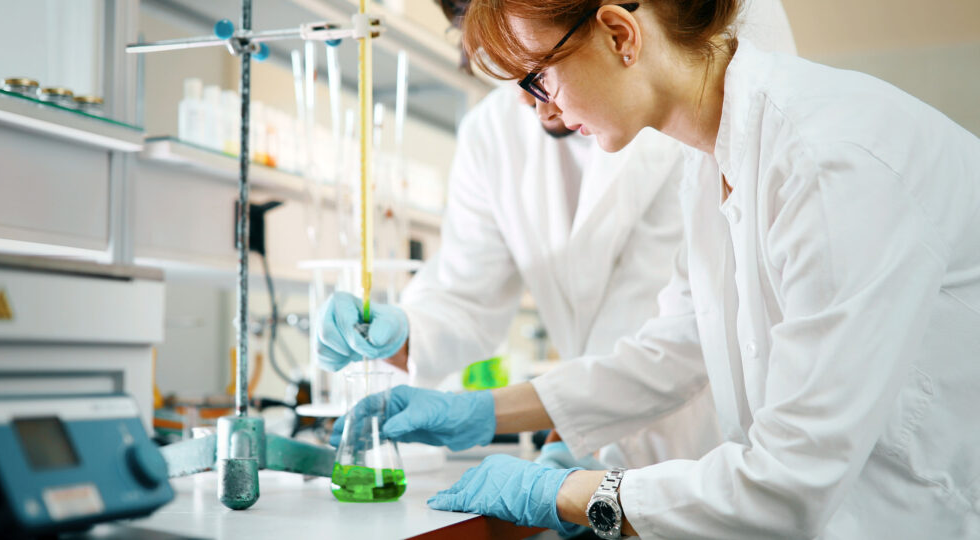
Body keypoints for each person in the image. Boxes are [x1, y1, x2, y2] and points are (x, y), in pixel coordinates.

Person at [332, 0, 980, 538]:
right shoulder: (714, 167)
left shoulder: (827, 159)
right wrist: (481, 411)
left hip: (910, 515)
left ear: (619, 33)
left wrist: (571, 494)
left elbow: (790, 484)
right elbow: (671, 350)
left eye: (537, 80)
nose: (538, 112)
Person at [316, 0, 797, 473]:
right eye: (496, 58)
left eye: (531, 66)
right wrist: (403, 331)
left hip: (706, 437)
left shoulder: (695, 117)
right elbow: (467, 294)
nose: (525, 96)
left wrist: (552, 439)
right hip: (604, 424)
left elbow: (685, 339)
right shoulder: (495, 133)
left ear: (617, 33)